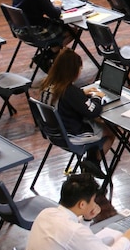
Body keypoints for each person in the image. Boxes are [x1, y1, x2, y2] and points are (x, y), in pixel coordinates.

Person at [41, 48, 115, 179]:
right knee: (111, 131)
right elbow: (93, 111)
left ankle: (91, 158)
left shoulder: (48, 85)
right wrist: (97, 96)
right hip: (72, 136)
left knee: (96, 124)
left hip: (54, 134)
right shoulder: (69, 92)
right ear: (73, 71)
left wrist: (82, 94)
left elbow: (71, 101)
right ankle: (93, 162)